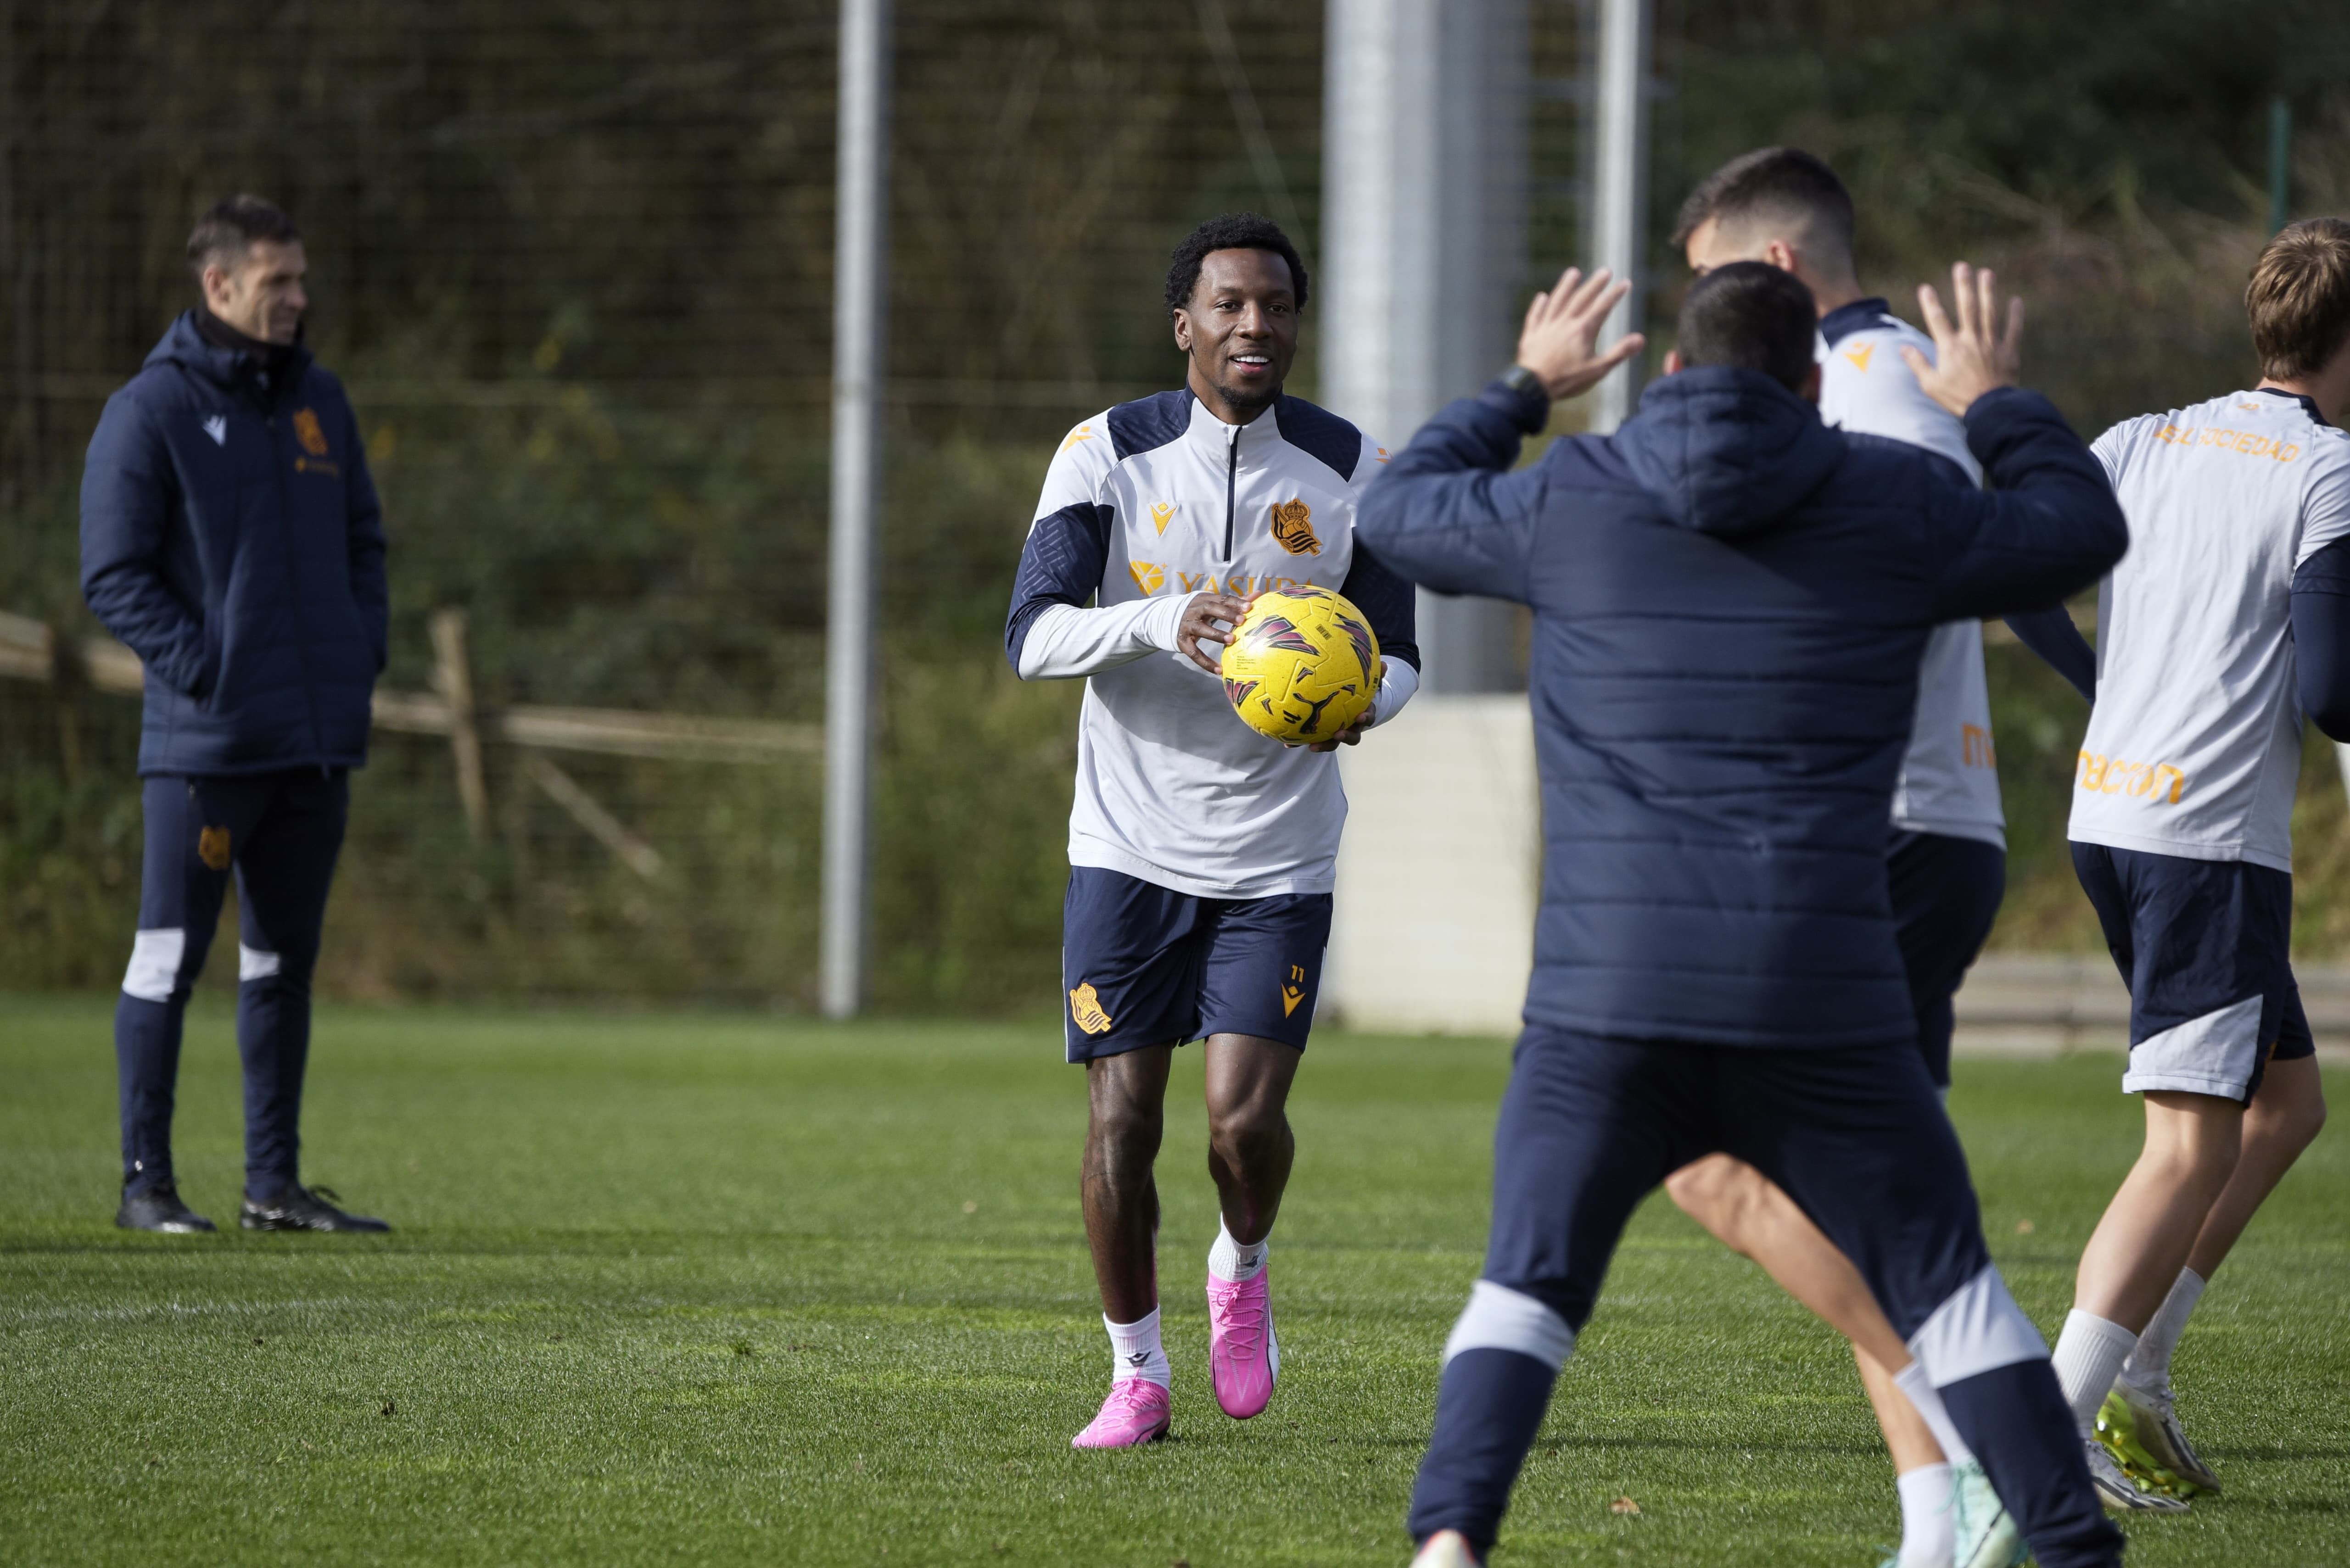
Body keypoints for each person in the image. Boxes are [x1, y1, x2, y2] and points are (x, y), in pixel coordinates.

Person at [1359, 261, 2128, 1568]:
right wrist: (1997, 402)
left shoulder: (1573, 498)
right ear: (1816, 384)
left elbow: (1395, 509)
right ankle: (2074, 1551)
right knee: (1951, 1296)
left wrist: (1524, 388)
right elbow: (2078, 531)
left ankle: (1449, 1547)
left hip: (1609, 1000)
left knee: (1528, 1288)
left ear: (1665, 376)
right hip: (1818, 995)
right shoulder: (1899, 499)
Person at [1659, 147, 2095, 1566]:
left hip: (1881, 834)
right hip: (1898, 833)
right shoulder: (1876, 381)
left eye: (1716, 279)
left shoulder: (1872, 388)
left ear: (1775, 272)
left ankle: (1985, 1418)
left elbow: (1912, 565)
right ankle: (1940, 1514)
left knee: (1707, 1158)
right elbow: (1994, 562)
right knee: (1866, 1196)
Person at [1002, 212, 1421, 1447]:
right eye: (1230, 306)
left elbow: (1401, 660)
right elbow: (1032, 635)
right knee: (1122, 1123)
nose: (1255, 326)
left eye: (1277, 306)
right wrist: (1160, 619)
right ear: (1183, 323)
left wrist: (1351, 703)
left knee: (1239, 1124)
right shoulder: (1106, 455)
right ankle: (1137, 1373)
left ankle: (1241, 1263)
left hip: (1277, 857)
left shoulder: (1354, 469)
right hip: (1125, 847)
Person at [2039, 216, 2348, 1510]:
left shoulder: (2140, 438)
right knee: (2185, 1146)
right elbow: (2334, 689)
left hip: (2108, 817)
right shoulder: (2329, 470)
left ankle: (2142, 1372)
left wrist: (2112, 693)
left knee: (2283, 1110)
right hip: (2207, 844)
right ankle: (2046, 1429)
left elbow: (2019, 578)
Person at [81, 194, 391, 1235]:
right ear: (218, 284)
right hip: (207, 748)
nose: (300, 299)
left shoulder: (322, 404)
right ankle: (146, 1185)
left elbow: (364, 547)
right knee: (168, 962)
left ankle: (274, 1187)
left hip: (312, 747)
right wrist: (206, 673)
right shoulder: (150, 410)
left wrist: (358, 657)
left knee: (281, 968)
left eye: (302, 280)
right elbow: (114, 573)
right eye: (279, 282)